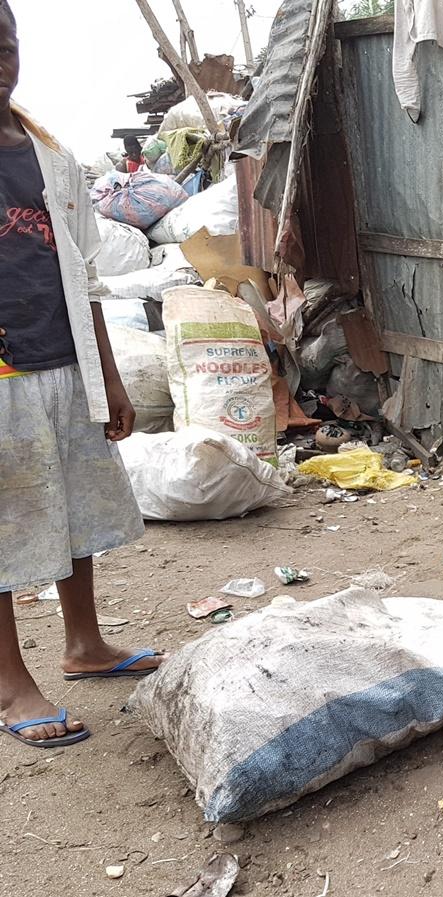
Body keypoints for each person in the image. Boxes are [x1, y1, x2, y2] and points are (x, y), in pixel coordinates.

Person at [0, 2, 165, 750]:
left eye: (6, 44)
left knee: (69, 502)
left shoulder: (49, 156)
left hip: (60, 358)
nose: (1, 59)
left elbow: (86, 276)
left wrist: (109, 374)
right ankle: (9, 682)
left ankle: (83, 643)